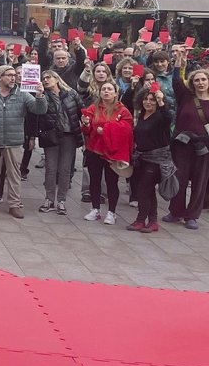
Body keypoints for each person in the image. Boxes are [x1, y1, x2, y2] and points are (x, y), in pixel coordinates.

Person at [0, 64, 47, 218]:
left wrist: (40, 96)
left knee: (15, 175)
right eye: (9, 75)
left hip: (14, 143)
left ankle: (14, 204)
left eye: (14, 75)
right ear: (0, 77)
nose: (13, 77)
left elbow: (39, 109)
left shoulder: (23, 94)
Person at [165, 53, 209, 230]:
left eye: (203, 79)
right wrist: (178, 62)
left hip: (204, 147)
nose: (200, 82)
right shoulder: (186, 97)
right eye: (197, 80)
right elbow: (176, 81)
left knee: (199, 181)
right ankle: (176, 211)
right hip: (182, 145)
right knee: (179, 178)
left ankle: (192, 215)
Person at [80, 80, 133, 226]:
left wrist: (108, 130)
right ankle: (95, 209)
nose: (106, 91)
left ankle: (111, 212)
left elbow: (127, 129)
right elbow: (86, 131)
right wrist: (85, 124)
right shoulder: (93, 108)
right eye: (104, 89)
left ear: (116, 93)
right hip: (94, 150)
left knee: (112, 182)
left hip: (111, 153)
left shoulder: (122, 110)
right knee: (94, 180)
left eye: (110, 89)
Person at [130, 87, 174, 233]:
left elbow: (168, 117)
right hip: (142, 158)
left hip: (157, 159)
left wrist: (161, 101)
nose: (148, 102)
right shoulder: (142, 115)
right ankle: (152, 221)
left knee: (144, 189)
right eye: (145, 99)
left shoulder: (161, 117)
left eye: (152, 100)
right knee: (147, 190)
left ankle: (141, 219)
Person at [38, 70, 81, 216]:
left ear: (57, 79)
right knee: (51, 168)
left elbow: (82, 110)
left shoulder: (71, 93)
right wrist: (39, 95)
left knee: (65, 169)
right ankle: (49, 199)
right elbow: (40, 111)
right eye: (43, 78)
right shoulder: (43, 96)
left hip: (69, 135)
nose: (45, 80)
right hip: (51, 136)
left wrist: (85, 122)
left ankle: (61, 201)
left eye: (48, 77)